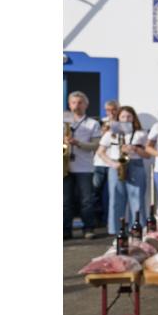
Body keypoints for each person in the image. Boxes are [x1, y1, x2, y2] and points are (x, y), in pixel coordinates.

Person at [98, 106, 148, 235]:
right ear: (118, 118)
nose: (126, 119)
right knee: (116, 199)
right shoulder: (111, 133)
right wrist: (112, 163)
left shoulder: (140, 133)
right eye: (123, 116)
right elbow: (100, 152)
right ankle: (116, 230)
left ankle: (137, 228)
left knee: (137, 198)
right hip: (116, 166)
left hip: (135, 165)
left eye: (129, 116)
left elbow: (147, 155)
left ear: (134, 118)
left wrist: (135, 149)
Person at [64, 91, 102, 239]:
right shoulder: (62, 120)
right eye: (73, 102)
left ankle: (88, 228)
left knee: (86, 201)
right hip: (65, 167)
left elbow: (95, 145)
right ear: (69, 104)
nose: (76, 105)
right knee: (65, 201)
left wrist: (78, 143)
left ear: (86, 105)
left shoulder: (93, 123)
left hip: (84, 167)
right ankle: (65, 229)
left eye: (80, 103)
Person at [91, 99, 120, 227]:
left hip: (113, 163)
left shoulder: (121, 124)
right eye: (108, 110)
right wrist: (102, 133)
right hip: (99, 162)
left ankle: (109, 219)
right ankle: (97, 219)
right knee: (95, 192)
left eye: (114, 109)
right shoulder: (100, 122)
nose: (111, 112)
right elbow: (94, 142)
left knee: (111, 193)